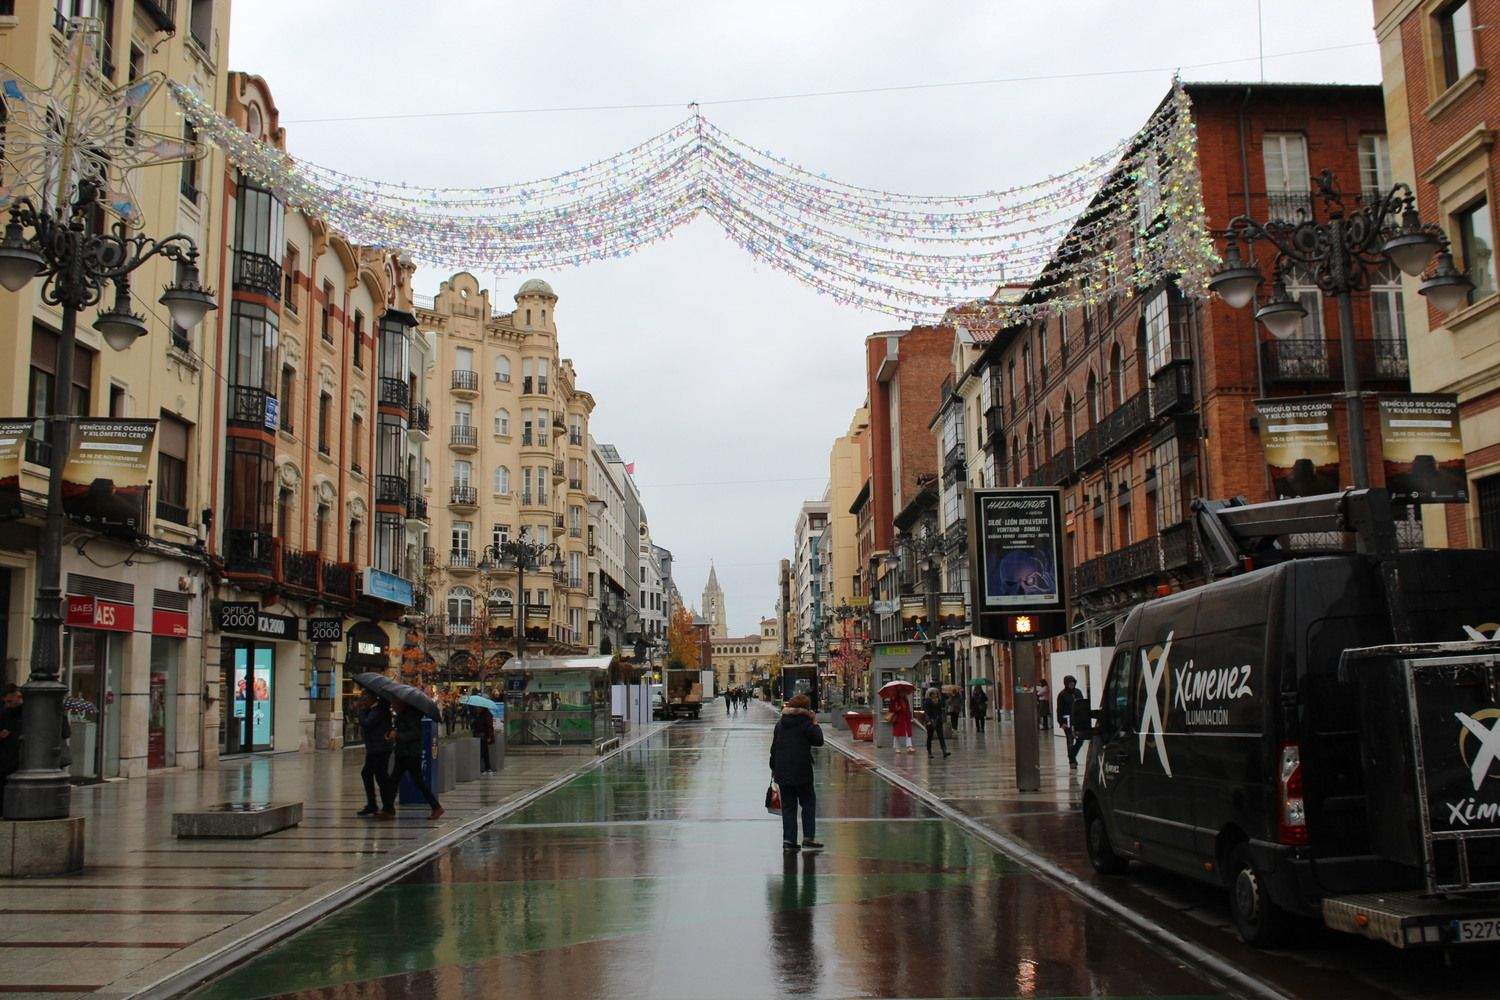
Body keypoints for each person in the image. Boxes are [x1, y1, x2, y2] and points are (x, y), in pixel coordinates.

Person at [769, 693, 824, 852]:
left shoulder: (780, 724)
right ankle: (808, 837)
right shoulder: (806, 724)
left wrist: (774, 768)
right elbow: (818, 741)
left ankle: (789, 841)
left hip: (783, 771)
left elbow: (774, 749)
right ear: (806, 709)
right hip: (802, 771)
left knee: (788, 807)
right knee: (807, 803)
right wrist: (815, 723)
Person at [389, 702, 443, 820]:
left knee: (418, 781)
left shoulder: (411, 716)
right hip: (402, 752)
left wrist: (398, 735)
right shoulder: (402, 715)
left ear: (402, 704)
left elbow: (415, 734)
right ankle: (388, 809)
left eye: (395, 704)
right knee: (394, 780)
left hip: (410, 753)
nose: (393, 706)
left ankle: (436, 807)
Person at [354, 693, 395, 817]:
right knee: (367, 773)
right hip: (375, 748)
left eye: (364, 698)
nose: (363, 700)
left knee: (381, 777)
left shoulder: (378, 710)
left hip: (379, 749)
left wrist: (361, 710)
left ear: (372, 698)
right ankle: (373, 805)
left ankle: (388, 808)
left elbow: (366, 724)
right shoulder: (376, 709)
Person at [1056, 675, 1088, 769]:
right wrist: (1061, 722)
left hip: (1078, 721)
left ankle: (1072, 754)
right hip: (1067, 721)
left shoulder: (1078, 692)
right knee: (1070, 740)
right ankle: (1072, 761)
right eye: (1070, 683)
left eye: (1073, 683)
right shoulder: (1062, 695)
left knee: (1080, 740)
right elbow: (1059, 710)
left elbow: (1082, 704)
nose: (1071, 685)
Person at [0, 685, 22, 811]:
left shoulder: (29, 712)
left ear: (18, 697)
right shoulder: (4, 714)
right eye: (6, 702)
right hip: (6, 761)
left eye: (9, 701)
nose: (7, 705)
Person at [921, 687, 950, 759]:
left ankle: (944, 750)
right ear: (930, 695)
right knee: (930, 736)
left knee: (941, 736)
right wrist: (928, 720)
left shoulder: (939, 700)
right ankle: (929, 751)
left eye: (936, 693)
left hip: (938, 720)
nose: (935, 695)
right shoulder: (927, 701)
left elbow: (942, 706)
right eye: (933, 693)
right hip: (930, 721)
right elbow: (926, 712)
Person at [471, 703, 496, 774]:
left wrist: (489, 737)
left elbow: (489, 727)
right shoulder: (477, 715)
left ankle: (486, 768)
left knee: (483, 752)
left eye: (479, 707)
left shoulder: (487, 715)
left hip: (483, 736)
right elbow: (474, 725)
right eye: (477, 707)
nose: (477, 708)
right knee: (483, 752)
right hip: (477, 736)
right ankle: (486, 768)